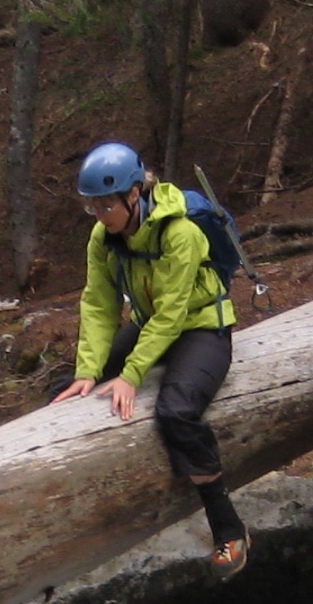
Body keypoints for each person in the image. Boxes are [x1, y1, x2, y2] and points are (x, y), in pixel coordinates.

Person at [50, 142, 250, 576]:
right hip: (153, 322)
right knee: (69, 388)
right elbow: (99, 303)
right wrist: (89, 371)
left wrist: (133, 373)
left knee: (177, 411)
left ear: (135, 193)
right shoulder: (103, 237)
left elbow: (175, 312)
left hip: (201, 327)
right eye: (93, 206)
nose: (101, 214)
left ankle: (228, 528)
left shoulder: (180, 233)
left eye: (107, 204)